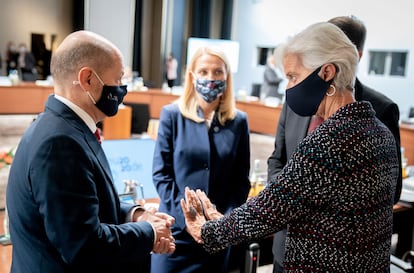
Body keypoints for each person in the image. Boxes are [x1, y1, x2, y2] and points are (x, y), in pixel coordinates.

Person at [181, 22, 399, 272]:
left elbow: (271, 208)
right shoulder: (379, 132)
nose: (288, 87)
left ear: (326, 73)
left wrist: (207, 231)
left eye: (293, 76)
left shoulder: (329, 141)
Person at [6, 30, 176, 273]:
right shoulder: (59, 143)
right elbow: (83, 245)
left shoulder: (64, 128)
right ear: (87, 79)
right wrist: (149, 232)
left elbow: (87, 201)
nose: (123, 90)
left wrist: (137, 215)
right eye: (118, 81)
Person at [269, 15, 403, 273]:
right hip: (285, 247)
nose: (290, 84)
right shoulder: (298, 97)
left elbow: (388, 192)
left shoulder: (380, 111)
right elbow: (278, 159)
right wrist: (286, 201)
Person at [151, 46, 251, 273]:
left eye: (218, 72)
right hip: (176, 233)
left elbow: (240, 181)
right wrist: (188, 219)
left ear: (227, 76)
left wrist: (223, 224)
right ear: (192, 75)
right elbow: (161, 175)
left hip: (217, 237)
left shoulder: (239, 121)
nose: (211, 78)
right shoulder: (172, 115)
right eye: (204, 71)